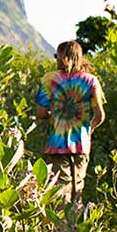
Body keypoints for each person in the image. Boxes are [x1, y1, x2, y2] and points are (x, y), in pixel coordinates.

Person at [35, 40, 105, 203]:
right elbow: (100, 116)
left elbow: (40, 112)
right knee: (77, 192)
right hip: (81, 146)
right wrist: (89, 131)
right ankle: (74, 227)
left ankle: (60, 228)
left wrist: (53, 115)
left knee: (60, 195)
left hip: (57, 145)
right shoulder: (91, 81)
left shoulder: (49, 79)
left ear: (61, 57)